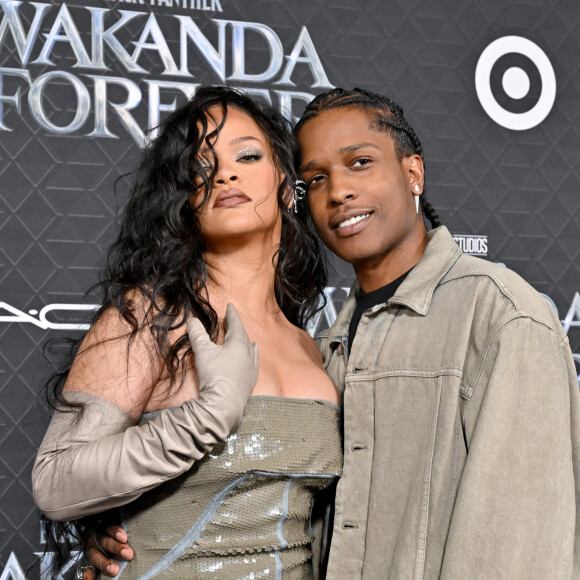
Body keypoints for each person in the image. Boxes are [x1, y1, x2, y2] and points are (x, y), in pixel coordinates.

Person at [87, 86, 580, 578]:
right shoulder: (325, 351)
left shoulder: (501, 317)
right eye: (316, 178)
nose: (339, 191)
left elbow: (527, 544)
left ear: (413, 172)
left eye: (360, 163)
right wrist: (130, 526)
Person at [32, 86, 341, 580]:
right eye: (201, 166)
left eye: (247, 154)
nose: (225, 173)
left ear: (286, 184)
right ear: (184, 196)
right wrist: (206, 417)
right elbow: (54, 483)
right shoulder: (151, 316)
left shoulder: (313, 345)